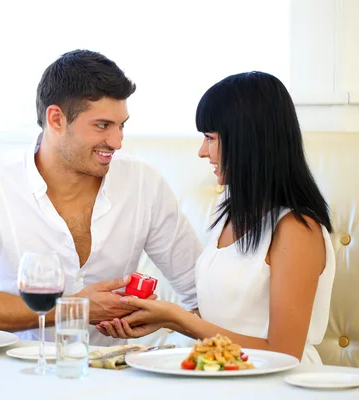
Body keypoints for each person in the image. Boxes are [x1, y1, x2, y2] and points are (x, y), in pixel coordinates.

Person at [0, 50, 202, 346]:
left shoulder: (143, 182)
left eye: (121, 125)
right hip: (14, 377)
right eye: (102, 125)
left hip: (112, 379)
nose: (117, 142)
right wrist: (72, 309)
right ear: (56, 119)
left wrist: (161, 318)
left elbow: (200, 293)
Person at [96, 71, 336, 363]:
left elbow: (284, 354)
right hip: (223, 373)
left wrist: (176, 316)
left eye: (209, 138)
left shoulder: (297, 229)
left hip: (278, 383)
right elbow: (225, 319)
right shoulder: (230, 210)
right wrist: (162, 318)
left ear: (248, 141)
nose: (202, 151)